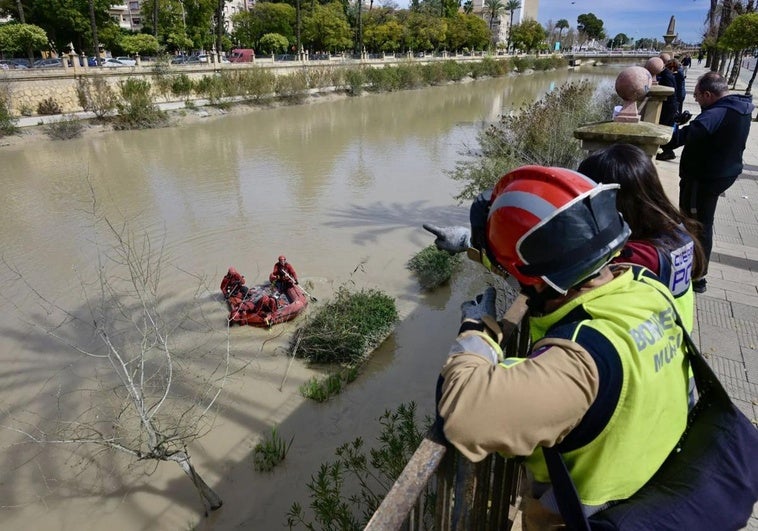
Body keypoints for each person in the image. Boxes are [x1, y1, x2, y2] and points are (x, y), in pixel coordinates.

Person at [432, 166, 691, 529]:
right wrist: (470, 244)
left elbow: (462, 414)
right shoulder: (643, 286)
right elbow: (543, 263)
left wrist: (477, 330)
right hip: (660, 475)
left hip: (591, 513)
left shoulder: (581, 358)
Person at [577, 143, 705, 331]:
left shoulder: (633, 259)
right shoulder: (676, 230)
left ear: (612, 200)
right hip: (674, 335)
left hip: (647, 343)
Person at [668, 71, 754, 293]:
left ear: (708, 94)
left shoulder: (716, 113)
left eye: (697, 95)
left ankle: (698, 277)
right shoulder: (738, 107)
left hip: (704, 178)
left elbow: (685, 136)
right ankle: (695, 268)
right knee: (699, 222)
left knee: (698, 225)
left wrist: (674, 128)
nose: (695, 99)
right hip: (721, 173)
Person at [655, 55, 680, 161]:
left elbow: (670, 92)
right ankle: (666, 150)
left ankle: (668, 151)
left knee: (664, 128)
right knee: (666, 127)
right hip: (670, 106)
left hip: (669, 107)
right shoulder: (668, 74)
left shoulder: (666, 75)